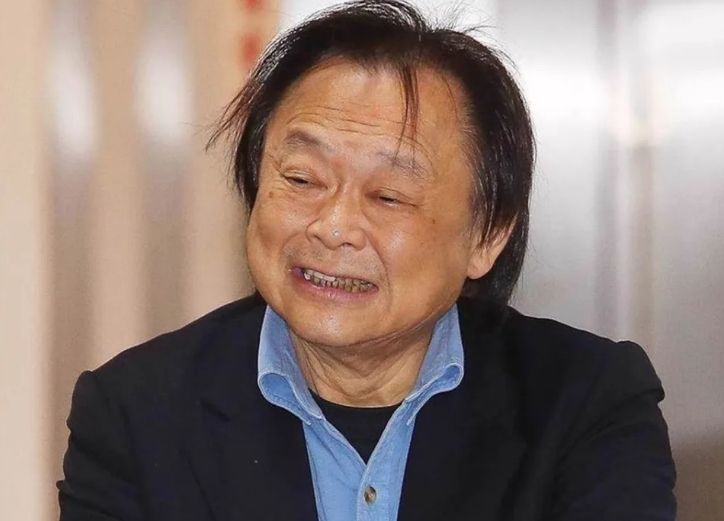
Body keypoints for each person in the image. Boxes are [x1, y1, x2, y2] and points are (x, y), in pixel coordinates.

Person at [57, 1, 676, 519]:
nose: (332, 227)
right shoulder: (135, 414)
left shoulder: (585, 403)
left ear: (487, 235)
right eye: (301, 179)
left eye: (388, 196)